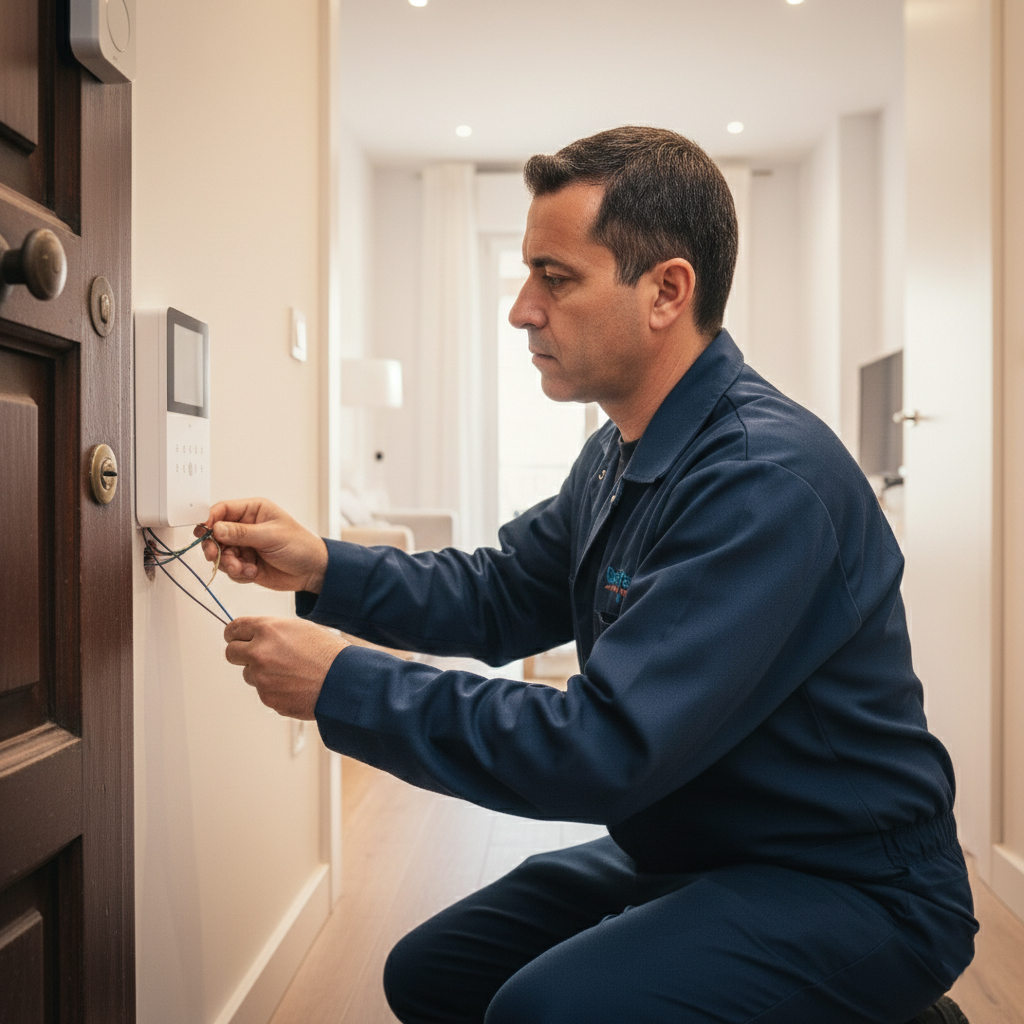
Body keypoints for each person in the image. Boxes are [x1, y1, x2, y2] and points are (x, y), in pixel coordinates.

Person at [200, 127, 977, 1024]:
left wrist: (344, 684)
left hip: (850, 881)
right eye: (526, 274)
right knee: (431, 973)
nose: (521, 310)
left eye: (555, 277)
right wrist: (324, 564)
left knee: (542, 1012)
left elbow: (602, 748)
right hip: (699, 844)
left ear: (667, 292)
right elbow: (500, 594)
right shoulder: (618, 452)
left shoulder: (764, 482)